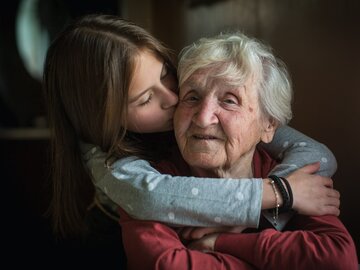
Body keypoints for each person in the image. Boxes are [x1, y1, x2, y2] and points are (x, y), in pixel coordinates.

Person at [43, 14, 339, 248]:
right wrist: (279, 193)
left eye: (166, 75)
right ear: (104, 120)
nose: (175, 99)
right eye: (146, 99)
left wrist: (262, 218)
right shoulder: (107, 160)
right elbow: (150, 197)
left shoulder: (230, 118)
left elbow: (318, 156)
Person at [118, 31, 358, 269]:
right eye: (192, 97)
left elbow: (338, 259)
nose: (202, 118)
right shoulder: (151, 185)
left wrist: (223, 242)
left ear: (268, 125)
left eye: (229, 100)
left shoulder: (292, 177)